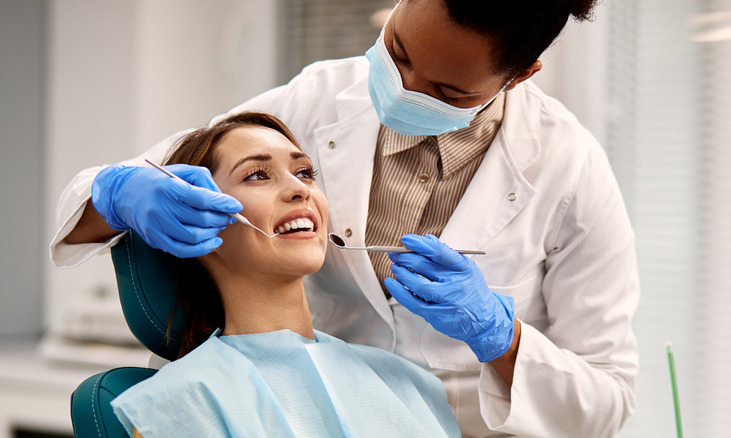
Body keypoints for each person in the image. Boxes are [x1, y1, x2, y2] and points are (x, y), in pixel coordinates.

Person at [52, 1, 639, 436]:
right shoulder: (189, 407)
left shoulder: (570, 168)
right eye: (398, 53)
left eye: (444, 90)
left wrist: (500, 338)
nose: (402, 89)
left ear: (521, 75)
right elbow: (126, 184)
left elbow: (607, 399)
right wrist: (118, 193)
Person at [109, 111, 461, 438]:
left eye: (305, 172)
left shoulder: (408, 385)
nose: (300, 189)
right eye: (257, 175)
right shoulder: (180, 404)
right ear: (198, 221)